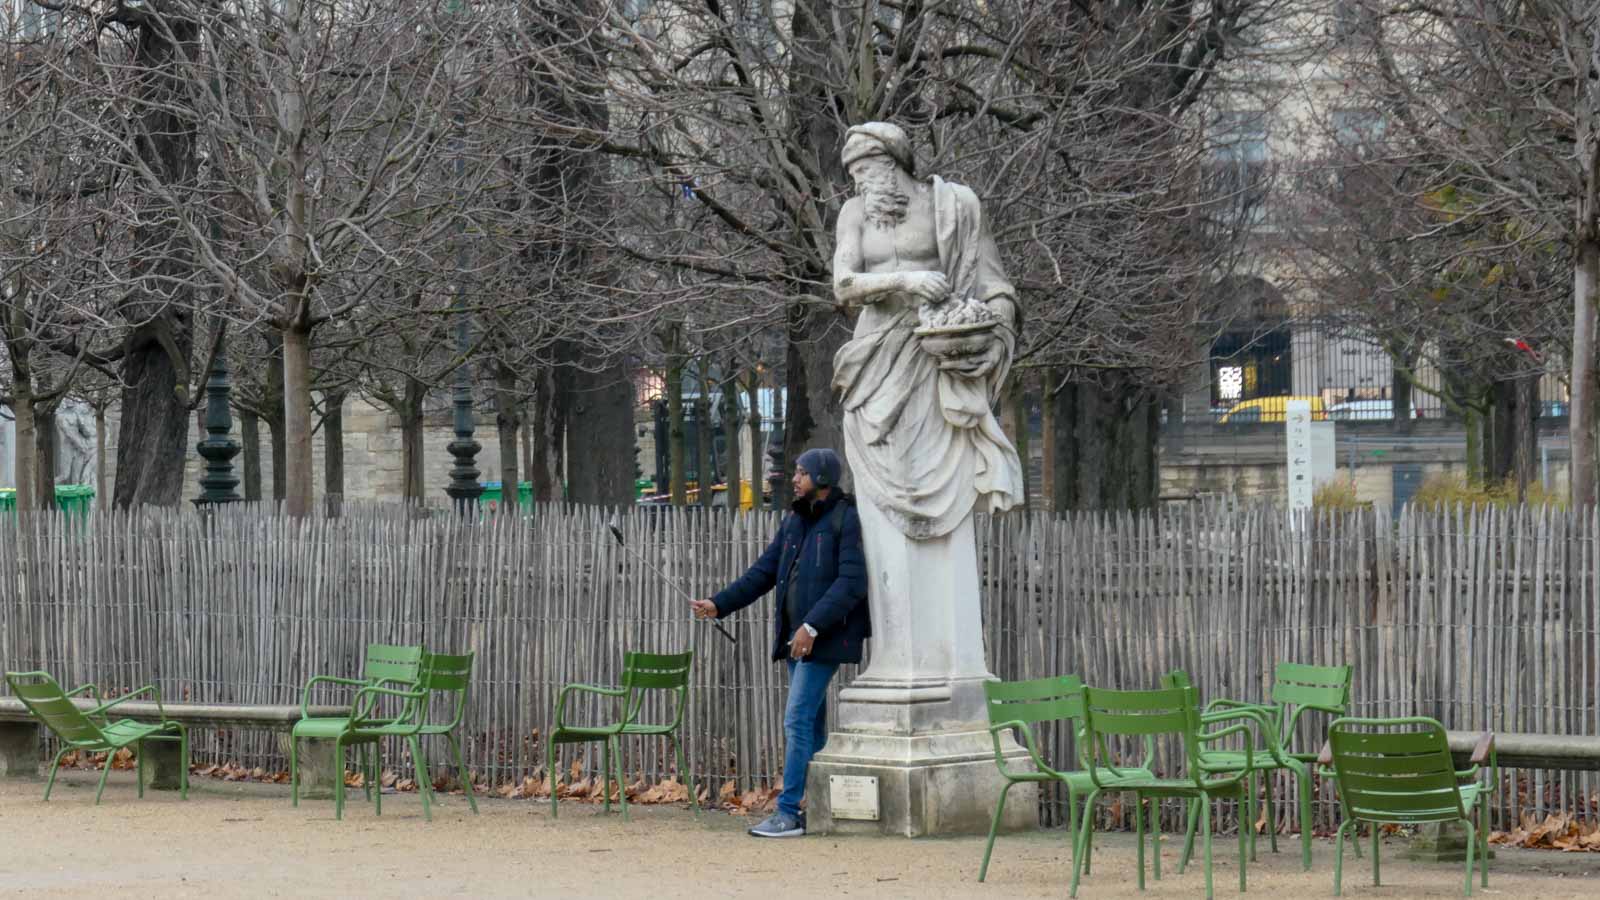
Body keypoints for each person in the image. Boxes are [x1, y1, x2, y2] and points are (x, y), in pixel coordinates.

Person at [690, 447, 868, 838]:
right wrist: (719, 604)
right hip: (795, 641)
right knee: (812, 726)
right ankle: (814, 808)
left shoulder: (846, 518)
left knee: (796, 719)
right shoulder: (794, 521)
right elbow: (763, 572)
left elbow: (852, 583)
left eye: (802, 473)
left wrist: (812, 627)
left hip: (822, 639)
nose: (795, 479)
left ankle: (787, 812)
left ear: (822, 479)